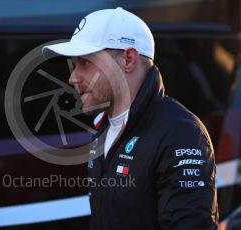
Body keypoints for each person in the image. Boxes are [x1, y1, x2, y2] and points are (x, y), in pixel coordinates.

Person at [43, 7, 218, 229]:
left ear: (128, 59)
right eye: (73, 65)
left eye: (85, 63)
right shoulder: (104, 128)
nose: (72, 78)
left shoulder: (180, 133)